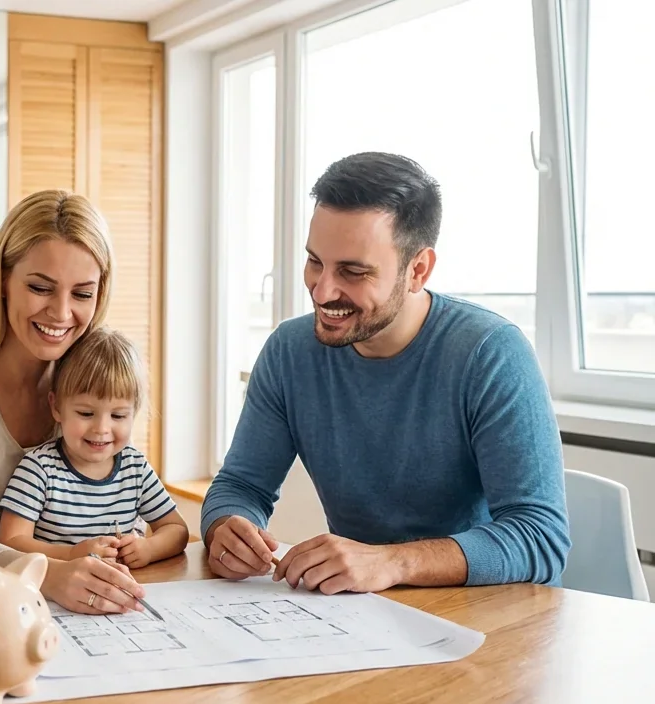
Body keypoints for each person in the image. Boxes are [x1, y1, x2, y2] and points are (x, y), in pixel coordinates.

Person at [201, 152, 570, 593]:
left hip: (482, 617)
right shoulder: (289, 352)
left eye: (353, 272)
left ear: (417, 270)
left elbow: (540, 538)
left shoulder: (490, 354)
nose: (322, 291)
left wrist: (393, 562)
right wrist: (227, 526)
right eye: (315, 261)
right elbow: (241, 484)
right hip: (358, 614)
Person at [0, 188, 148, 615]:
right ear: (4, 281)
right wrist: (47, 573)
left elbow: (123, 495)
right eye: (41, 287)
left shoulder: (87, 381)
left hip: (68, 603)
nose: (61, 313)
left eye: (82, 294)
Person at [0, 327, 189, 571]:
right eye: (86, 413)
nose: (101, 428)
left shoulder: (135, 467)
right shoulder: (39, 469)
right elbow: (9, 542)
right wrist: (71, 554)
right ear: (56, 407)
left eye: (118, 415)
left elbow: (177, 529)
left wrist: (149, 548)